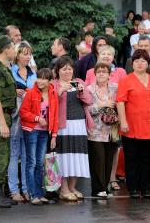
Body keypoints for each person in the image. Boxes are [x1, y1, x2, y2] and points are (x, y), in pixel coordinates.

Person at [117, 49, 150, 198]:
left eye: (143, 61)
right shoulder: (126, 80)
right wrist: (123, 121)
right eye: (136, 61)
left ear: (148, 63)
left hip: (149, 127)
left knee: (147, 159)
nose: (140, 64)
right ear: (132, 63)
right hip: (131, 126)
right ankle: (133, 188)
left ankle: (145, 188)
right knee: (132, 159)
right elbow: (120, 102)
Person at [53, 56, 93, 201]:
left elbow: (89, 101)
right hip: (63, 125)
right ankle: (63, 189)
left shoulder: (79, 82)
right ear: (58, 71)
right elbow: (50, 105)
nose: (67, 71)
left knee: (77, 156)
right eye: (64, 69)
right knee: (63, 157)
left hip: (79, 124)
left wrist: (82, 91)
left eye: (70, 68)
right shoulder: (54, 84)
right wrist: (59, 92)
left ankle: (72, 187)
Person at [20, 68, 58, 205]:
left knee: (40, 163)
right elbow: (23, 112)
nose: (40, 81)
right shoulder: (30, 93)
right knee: (32, 162)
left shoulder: (53, 93)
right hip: (31, 130)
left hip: (44, 132)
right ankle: (32, 194)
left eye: (44, 79)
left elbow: (55, 115)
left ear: (50, 81)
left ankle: (39, 193)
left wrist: (54, 135)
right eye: (39, 78)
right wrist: (37, 118)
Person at [8, 42, 37, 203]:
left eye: (29, 54)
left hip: (30, 119)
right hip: (15, 118)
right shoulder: (10, 71)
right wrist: (14, 92)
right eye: (24, 53)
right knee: (14, 154)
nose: (27, 57)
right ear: (17, 55)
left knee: (28, 155)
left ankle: (27, 189)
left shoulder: (33, 73)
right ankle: (14, 190)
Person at [0, 36, 17, 208]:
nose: (15, 51)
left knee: (2, 154)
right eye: (13, 48)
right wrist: (2, 123)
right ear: (6, 49)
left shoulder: (3, 69)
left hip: (4, 116)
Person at [87, 62, 119, 198]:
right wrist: (101, 104)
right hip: (95, 131)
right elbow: (87, 109)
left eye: (104, 72)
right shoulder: (89, 89)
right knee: (97, 160)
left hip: (111, 130)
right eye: (99, 71)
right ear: (95, 74)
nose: (101, 74)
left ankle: (105, 188)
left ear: (109, 75)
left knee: (108, 159)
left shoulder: (115, 88)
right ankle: (97, 189)